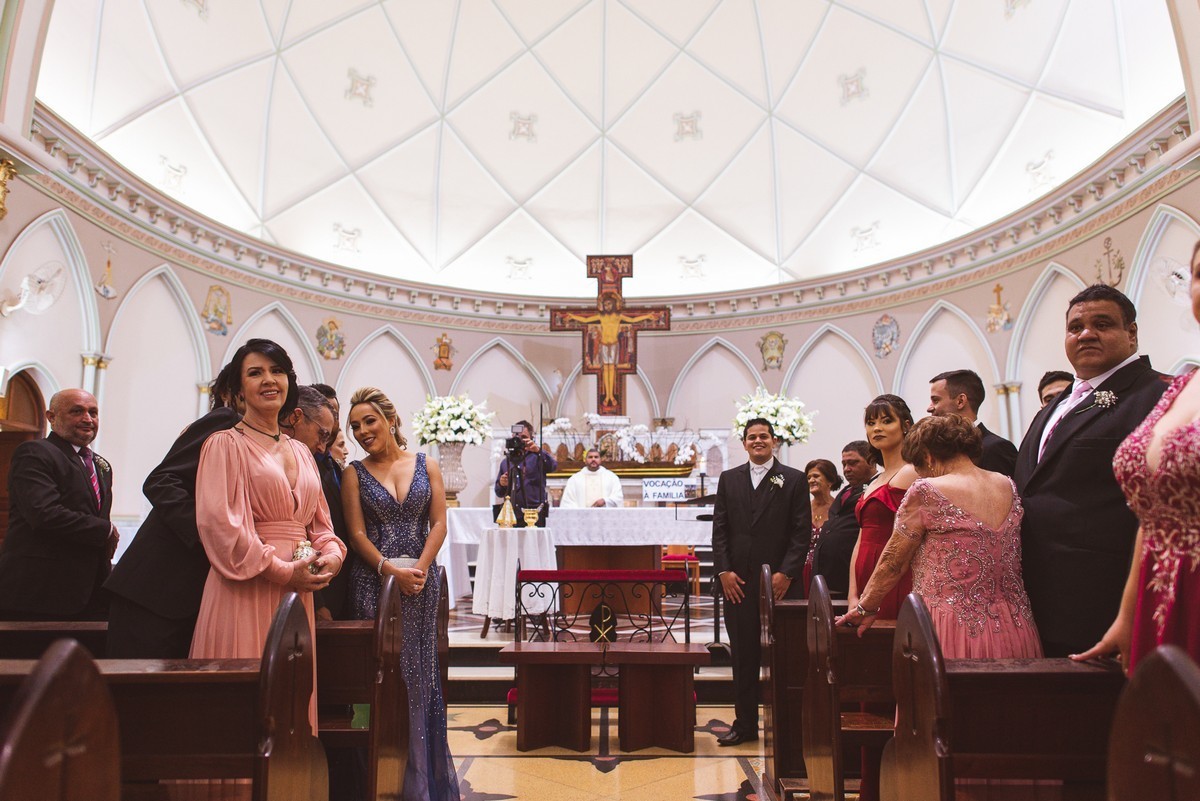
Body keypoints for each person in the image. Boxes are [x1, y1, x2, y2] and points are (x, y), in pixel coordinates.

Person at [191, 339, 344, 731]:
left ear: (289, 383)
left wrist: (331, 556)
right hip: (246, 586)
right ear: (239, 390)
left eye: (276, 371)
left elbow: (322, 526)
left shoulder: (304, 452)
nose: (268, 380)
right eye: (255, 373)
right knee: (249, 700)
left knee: (290, 700)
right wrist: (280, 570)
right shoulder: (224, 444)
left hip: (298, 593)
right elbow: (221, 528)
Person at [1015, 284, 1169, 657]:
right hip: (1038, 598)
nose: (1086, 334)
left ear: (1131, 334)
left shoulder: (1159, 396)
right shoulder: (1055, 407)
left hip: (1106, 599)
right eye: (1075, 327)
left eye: (1102, 324)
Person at [1075, 241, 1200, 672]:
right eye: (1199, 273)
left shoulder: (1152, 388)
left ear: (1132, 333)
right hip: (1160, 599)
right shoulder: (1183, 388)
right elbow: (1155, 514)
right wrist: (1128, 617)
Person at [837, 414, 1042, 660]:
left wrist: (866, 606)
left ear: (927, 457)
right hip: (1014, 622)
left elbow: (894, 561)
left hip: (950, 625)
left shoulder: (927, 490)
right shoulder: (1005, 484)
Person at [341, 387, 459, 801]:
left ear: (390, 419)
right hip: (374, 584)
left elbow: (439, 522)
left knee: (420, 675)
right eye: (354, 426)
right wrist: (389, 570)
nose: (362, 431)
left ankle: (422, 780)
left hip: (421, 586)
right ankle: (379, 781)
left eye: (369, 421)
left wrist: (421, 567)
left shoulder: (427, 465)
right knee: (384, 676)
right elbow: (356, 534)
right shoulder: (354, 472)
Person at [105, 364, 241, 657]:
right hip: (160, 585)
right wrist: (209, 536)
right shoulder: (226, 421)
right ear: (232, 393)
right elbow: (161, 482)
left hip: (190, 593)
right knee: (139, 691)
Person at [711, 418, 810, 746]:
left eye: (763, 436)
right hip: (736, 584)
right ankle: (745, 725)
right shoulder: (729, 479)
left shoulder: (794, 480)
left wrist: (787, 573)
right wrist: (724, 571)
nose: (758, 441)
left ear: (774, 441)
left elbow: (801, 531)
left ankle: (785, 727)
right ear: (744, 443)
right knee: (743, 656)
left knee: (783, 656)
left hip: (778, 584)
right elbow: (720, 529)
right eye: (752, 437)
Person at [0, 389, 118, 620]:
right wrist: (105, 530)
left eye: (93, 412)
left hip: (90, 591)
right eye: (77, 411)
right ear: (51, 417)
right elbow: (44, 513)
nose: (88, 419)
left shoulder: (100, 464)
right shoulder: (35, 453)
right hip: (39, 591)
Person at [850, 395, 919, 620]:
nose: (877, 428)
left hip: (892, 573)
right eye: (871, 423)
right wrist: (853, 594)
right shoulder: (875, 480)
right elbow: (861, 538)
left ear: (905, 426)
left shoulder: (911, 472)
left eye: (886, 421)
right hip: (864, 571)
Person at [811, 441, 878, 599]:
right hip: (826, 574)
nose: (847, 469)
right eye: (844, 464)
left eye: (853, 463)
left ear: (871, 460)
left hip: (849, 574)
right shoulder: (846, 490)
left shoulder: (876, 487)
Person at [927, 369, 1017, 476]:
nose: (929, 408)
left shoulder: (995, 448)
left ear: (960, 401)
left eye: (936, 400)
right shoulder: (943, 448)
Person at [493, 420, 557, 527]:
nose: (518, 440)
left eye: (523, 437)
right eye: (515, 437)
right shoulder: (506, 462)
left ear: (531, 438)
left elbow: (553, 466)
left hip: (534, 514)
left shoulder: (538, 458)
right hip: (512, 515)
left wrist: (538, 451)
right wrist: (501, 483)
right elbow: (499, 492)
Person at [800, 458, 842, 597]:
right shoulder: (802, 508)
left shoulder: (839, 509)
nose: (811, 480)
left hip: (829, 571)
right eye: (809, 477)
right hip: (802, 571)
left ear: (830, 480)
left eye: (816, 476)